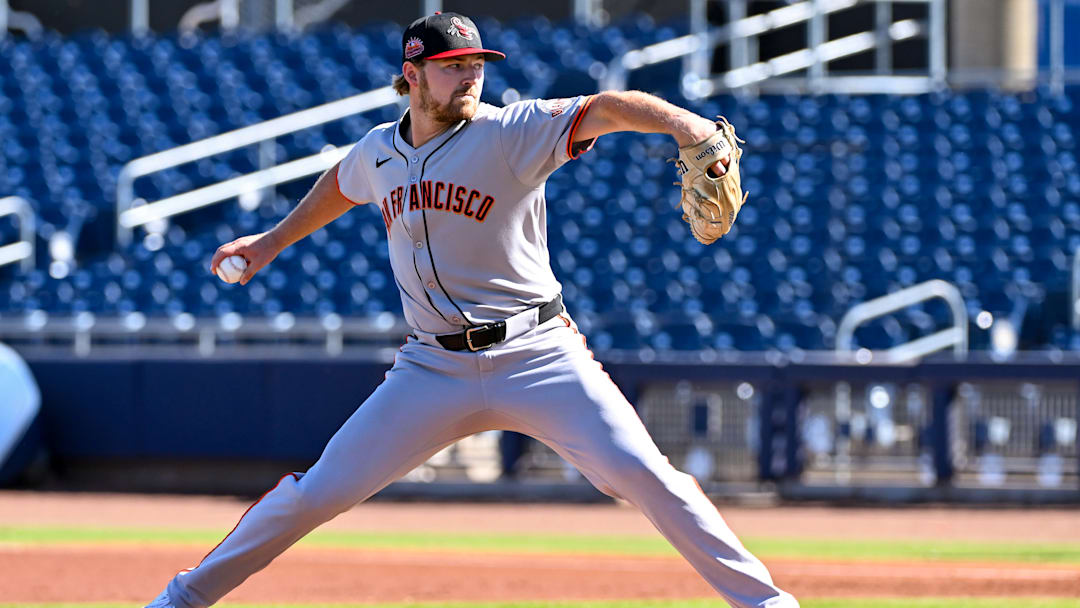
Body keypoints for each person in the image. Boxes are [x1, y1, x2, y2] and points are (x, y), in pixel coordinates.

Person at [146, 12, 798, 608]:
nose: (469, 76)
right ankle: (180, 600)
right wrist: (269, 243)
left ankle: (768, 604)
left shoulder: (511, 131)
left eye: (476, 64)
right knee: (315, 493)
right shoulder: (378, 151)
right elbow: (341, 185)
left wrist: (688, 126)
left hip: (537, 354)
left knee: (647, 476)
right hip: (430, 369)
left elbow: (604, 108)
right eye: (452, 65)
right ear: (412, 74)